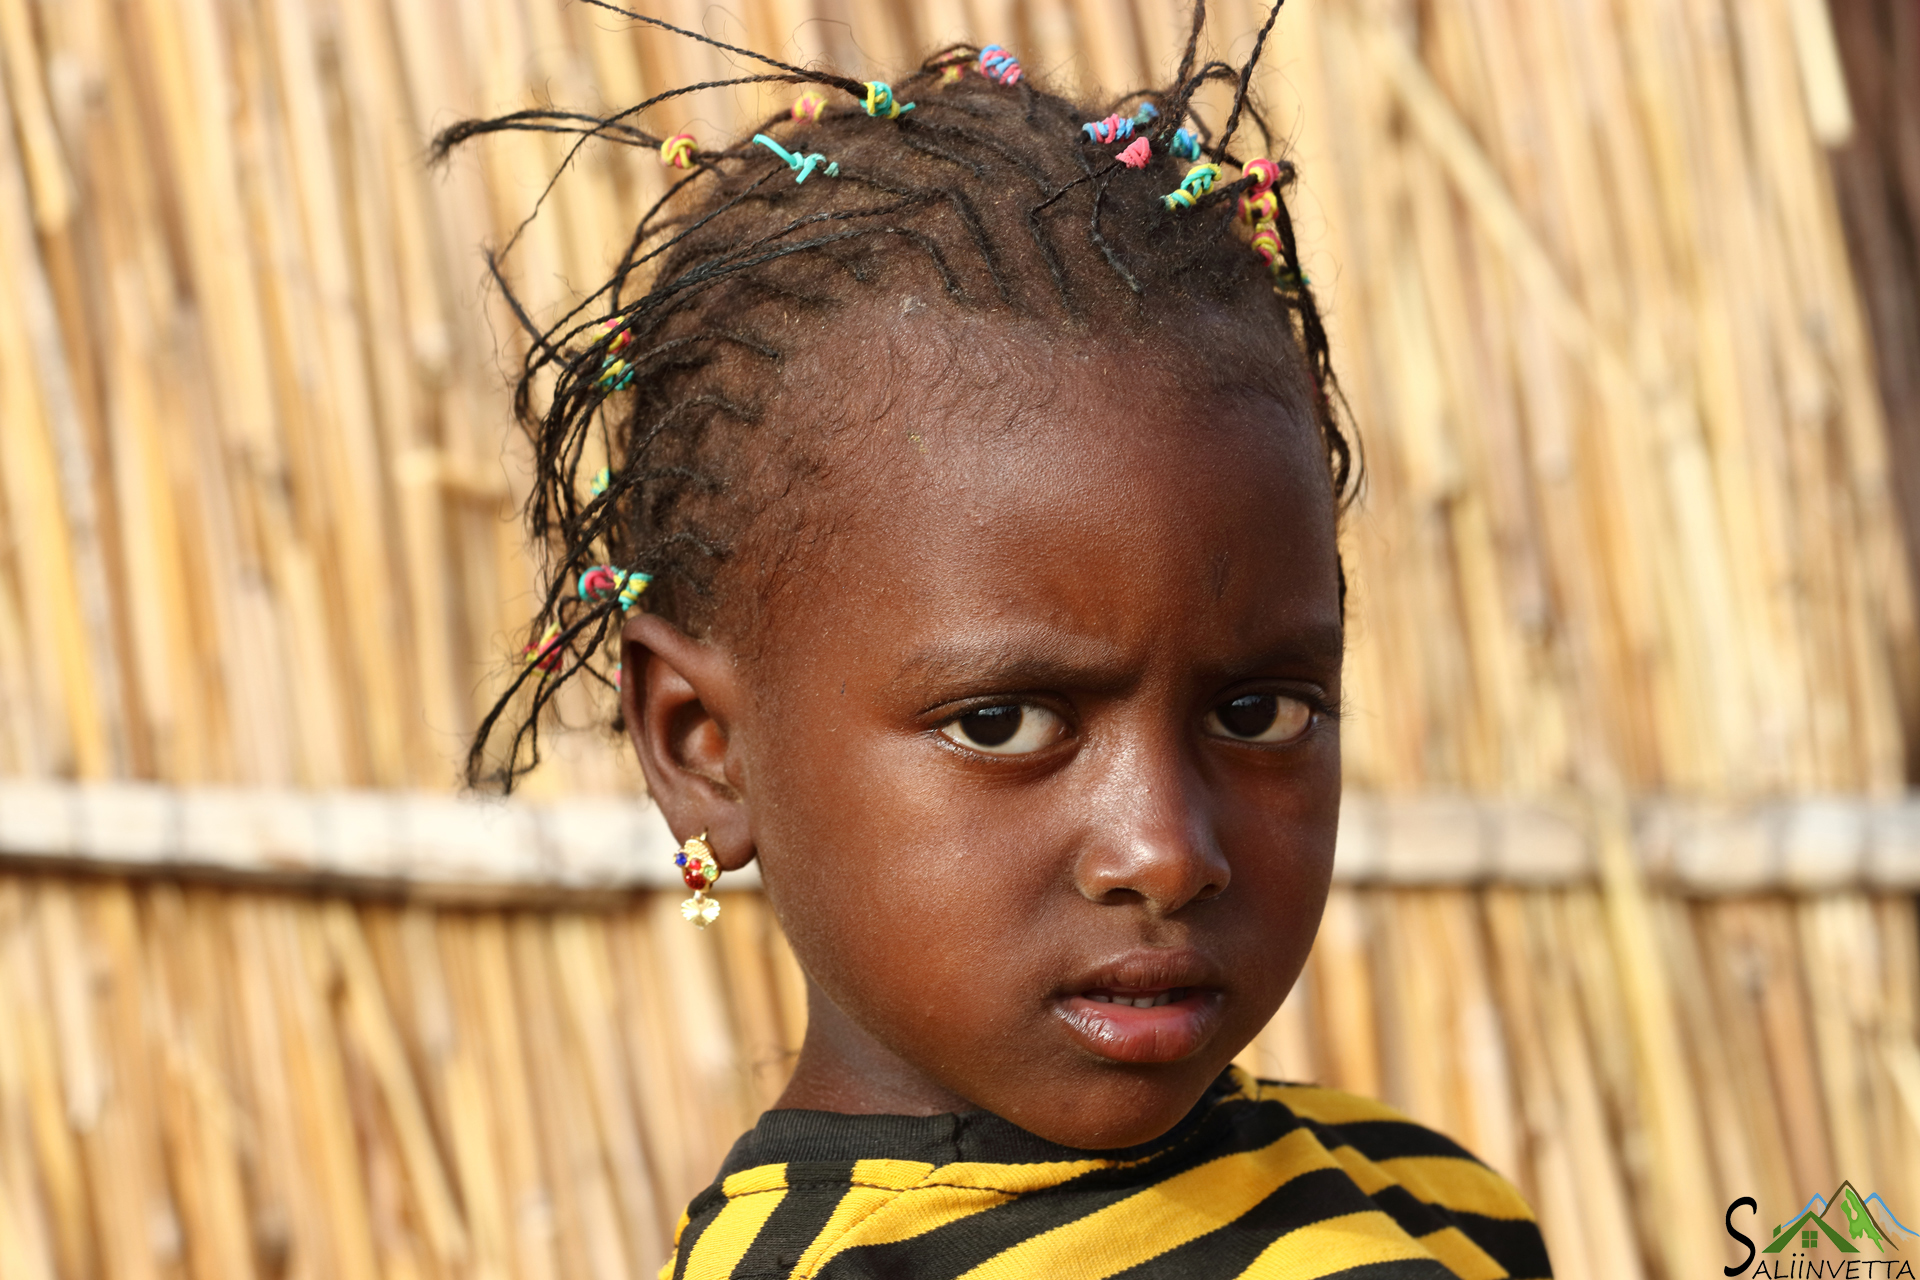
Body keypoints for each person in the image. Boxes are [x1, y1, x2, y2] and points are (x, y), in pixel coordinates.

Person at [445, 4, 1554, 1276]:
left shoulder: (1429, 1195)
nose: (1164, 851)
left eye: (1259, 712)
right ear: (703, 745)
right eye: (1003, 721)